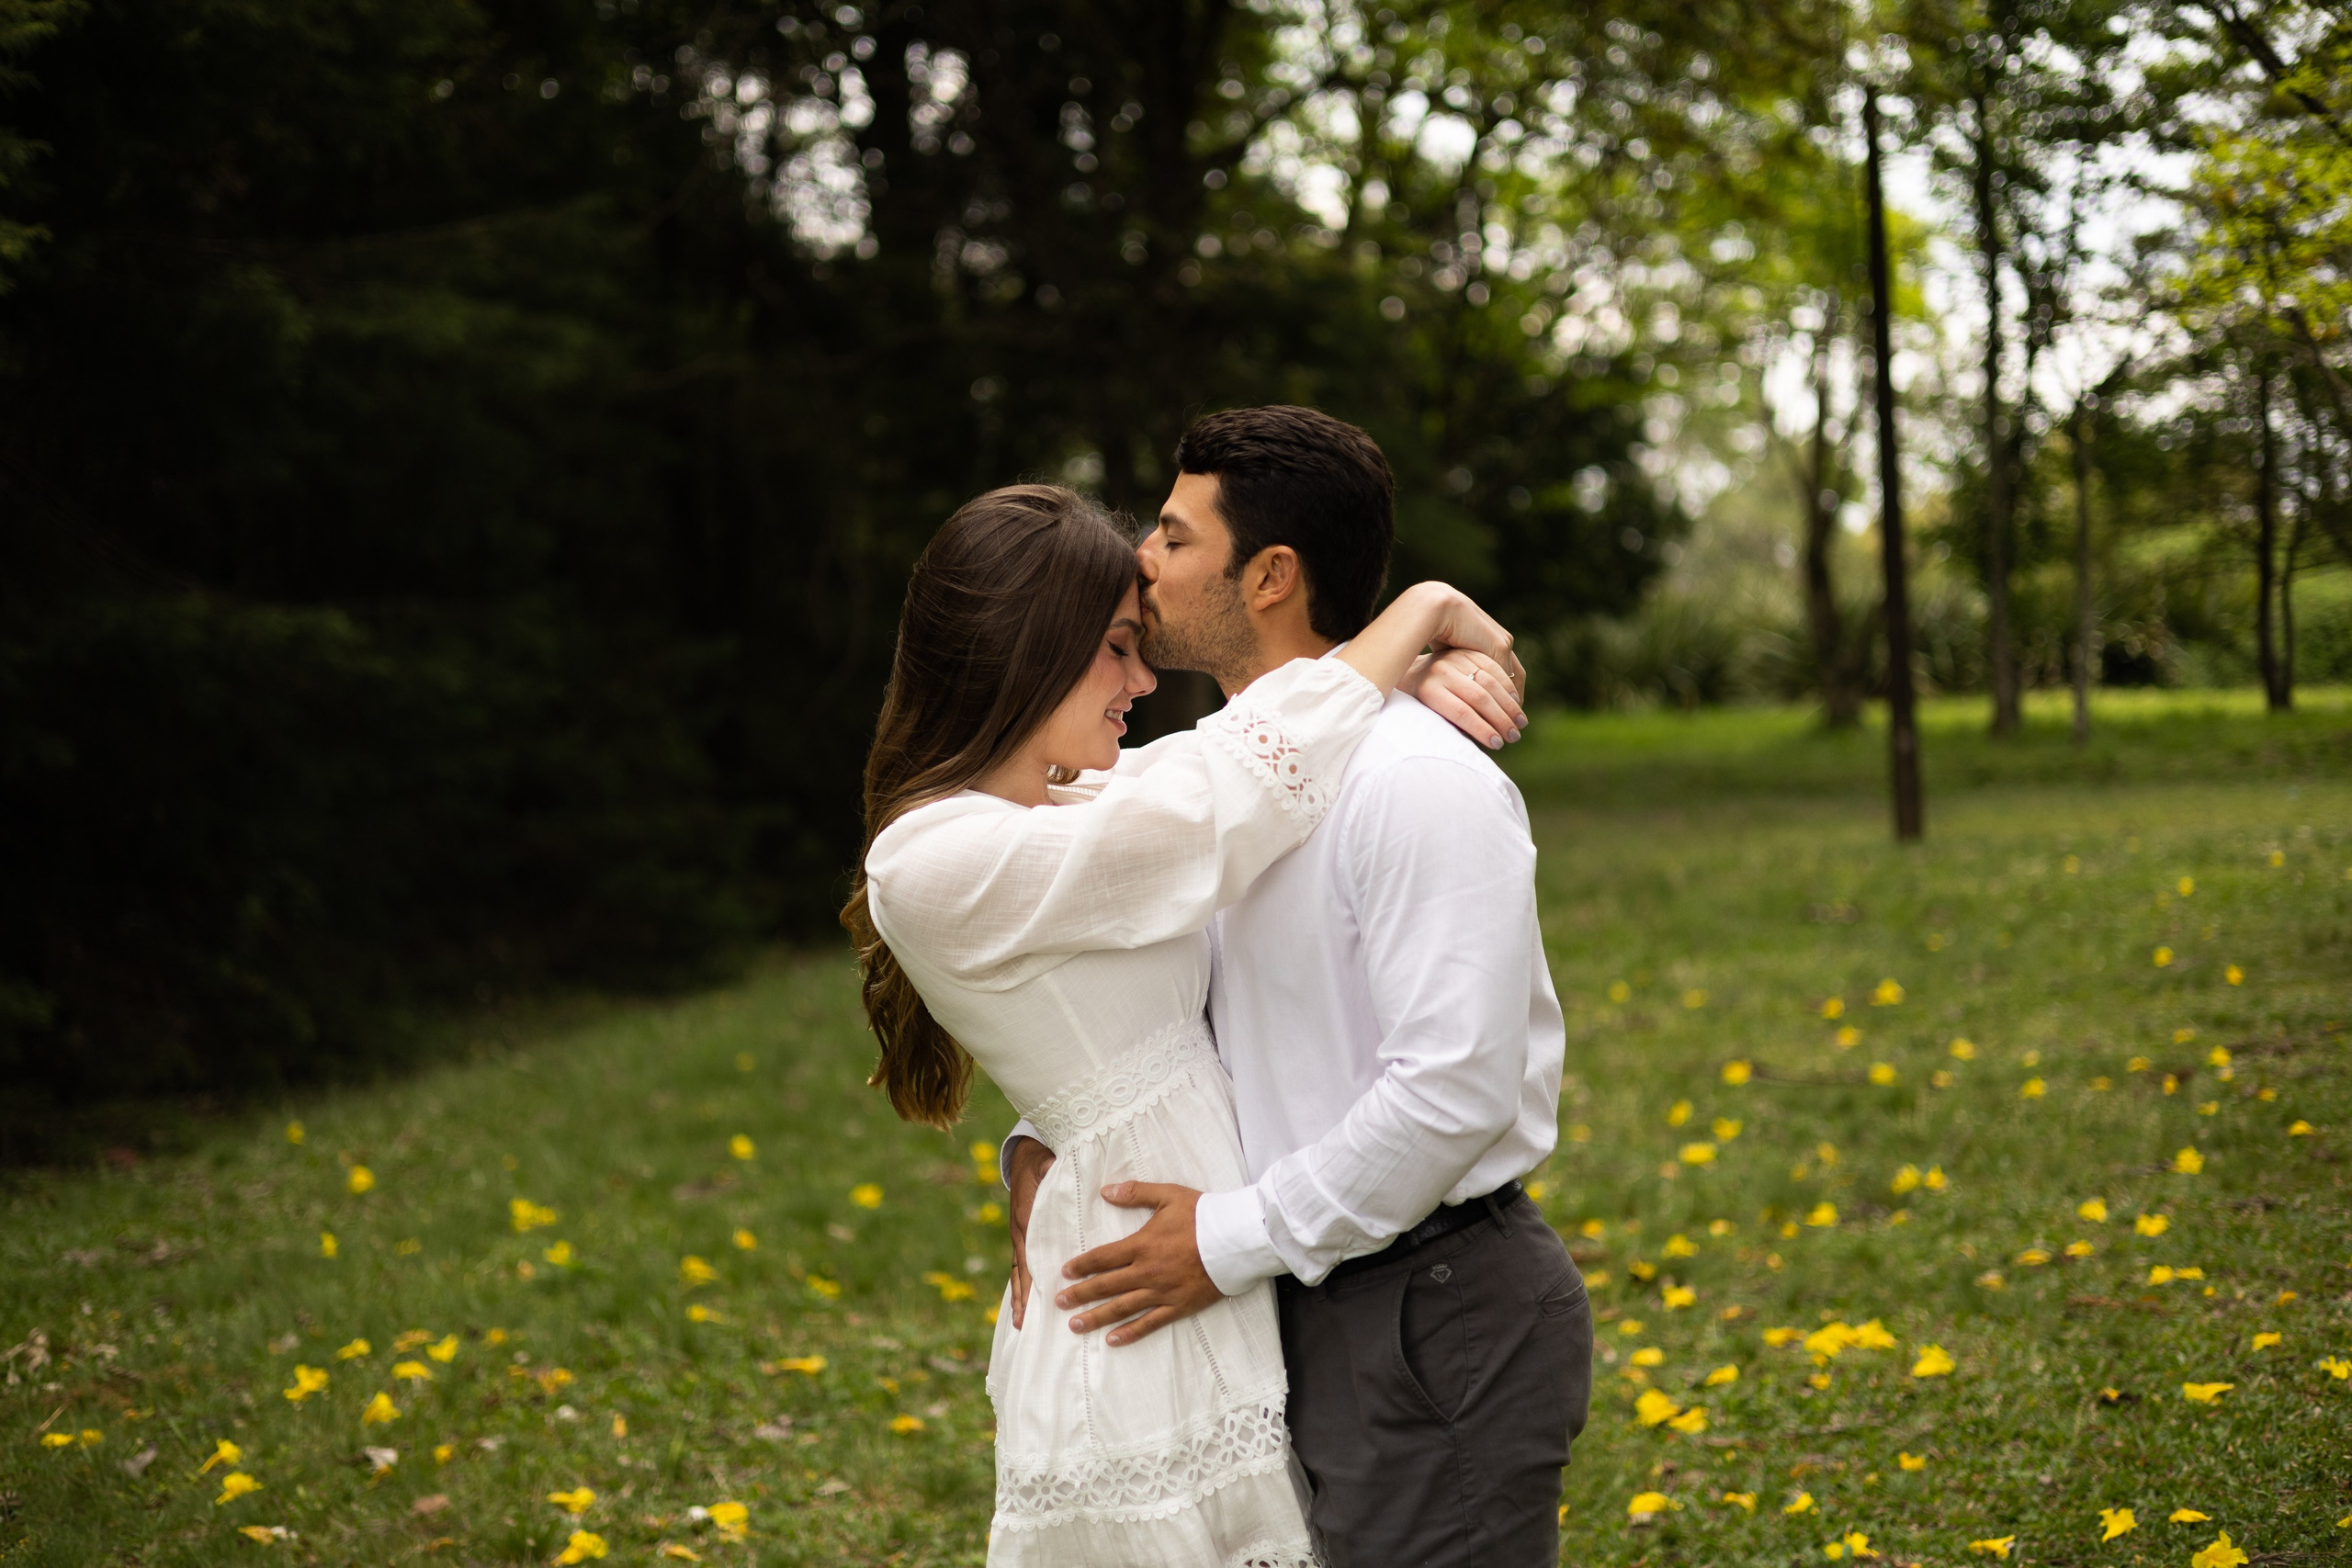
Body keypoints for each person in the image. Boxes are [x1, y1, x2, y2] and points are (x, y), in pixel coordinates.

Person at [843, 479, 1524, 1567]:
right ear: (1026, 650)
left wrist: (1402, 672)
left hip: (1202, 1264)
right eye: (1116, 648)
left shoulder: (1073, 806)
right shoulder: (930, 857)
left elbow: (1237, 761)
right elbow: (1225, 794)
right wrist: (1423, 613)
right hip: (1141, 1291)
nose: (1142, 678)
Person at [1004, 406, 1592, 1567]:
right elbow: (1175, 1006)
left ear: (1269, 575)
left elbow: (1453, 1092)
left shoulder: (1415, 781)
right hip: (1293, 1302)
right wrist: (1040, 1137)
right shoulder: (1202, 786)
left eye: (1174, 537)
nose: (1142, 561)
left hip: (1432, 1313)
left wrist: (1223, 1241)